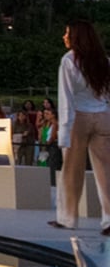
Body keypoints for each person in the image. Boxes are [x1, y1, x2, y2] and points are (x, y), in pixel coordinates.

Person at [49, 18, 110, 230]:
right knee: (106, 171)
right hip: (103, 116)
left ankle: (68, 218)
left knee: (72, 171)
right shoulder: (104, 60)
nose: (64, 37)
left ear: (76, 37)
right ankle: (109, 219)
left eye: (67, 33)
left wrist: (64, 132)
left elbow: (66, 98)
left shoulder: (69, 61)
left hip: (78, 118)